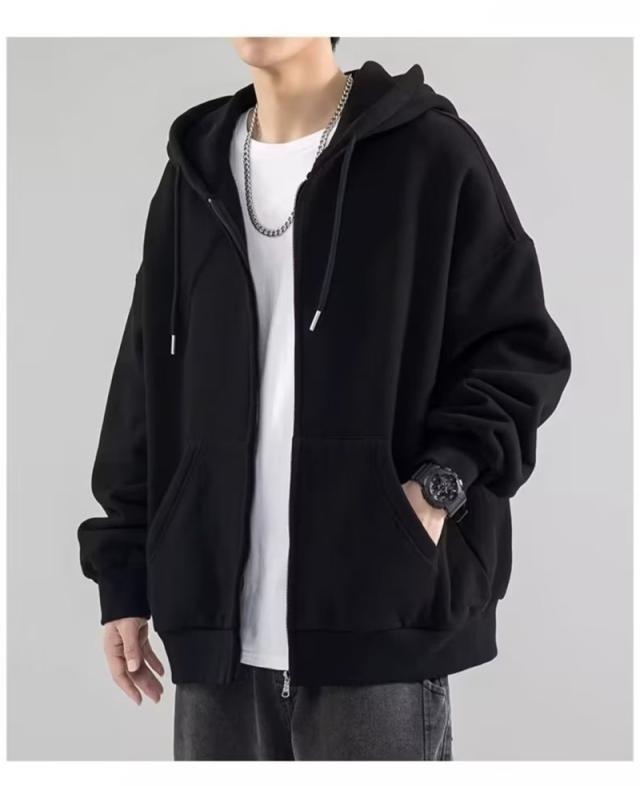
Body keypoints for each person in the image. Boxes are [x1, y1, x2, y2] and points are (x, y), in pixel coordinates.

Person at [78, 37, 571, 760]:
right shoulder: (193, 175)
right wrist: (123, 575)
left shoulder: (430, 155)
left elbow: (519, 348)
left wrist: (437, 489)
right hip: (216, 642)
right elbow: (145, 381)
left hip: (377, 624)